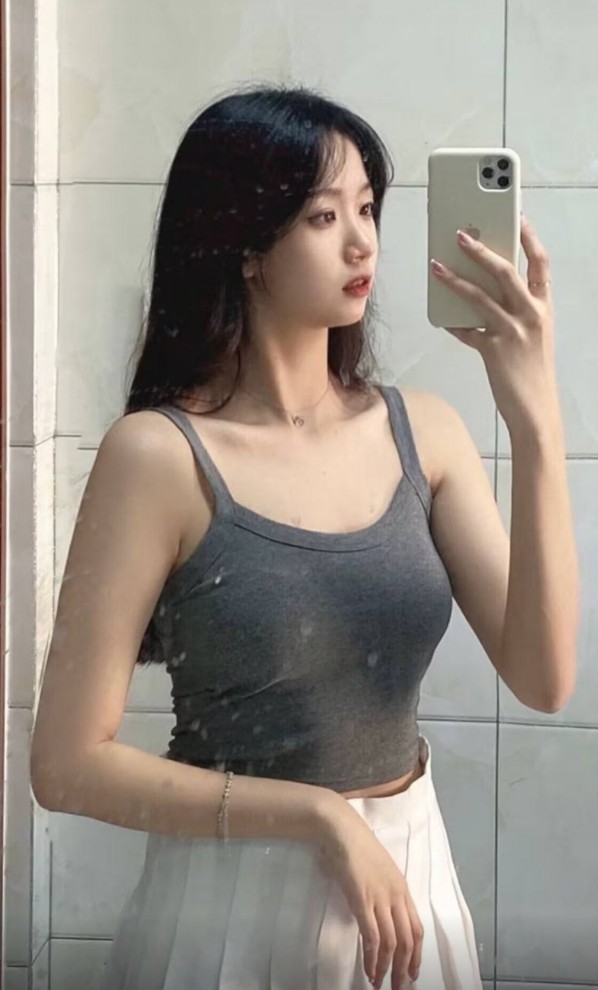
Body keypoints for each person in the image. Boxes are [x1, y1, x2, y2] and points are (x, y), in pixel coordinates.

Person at [31, 82, 495, 990]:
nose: (363, 242)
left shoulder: (426, 433)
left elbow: (545, 674)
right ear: (245, 247)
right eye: (325, 216)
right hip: (229, 907)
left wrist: (529, 401)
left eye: (368, 209)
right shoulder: (158, 455)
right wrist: (318, 816)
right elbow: (66, 765)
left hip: (409, 890)